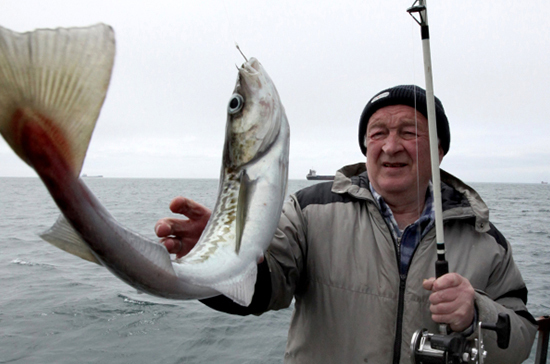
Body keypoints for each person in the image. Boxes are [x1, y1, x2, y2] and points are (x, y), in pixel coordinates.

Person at [155, 85, 537, 363]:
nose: (390, 146)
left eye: (409, 132)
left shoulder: (485, 239)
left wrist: (475, 315)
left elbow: (522, 338)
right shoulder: (309, 210)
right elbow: (265, 287)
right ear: (366, 148)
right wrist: (223, 258)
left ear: (439, 151)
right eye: (378, 134)